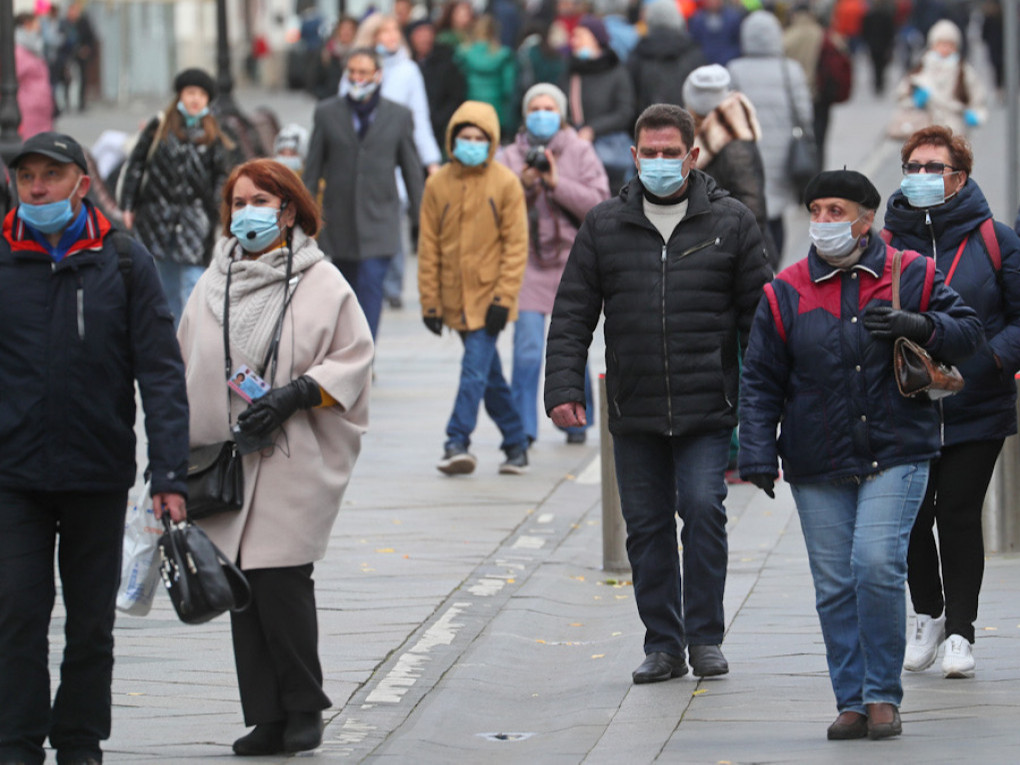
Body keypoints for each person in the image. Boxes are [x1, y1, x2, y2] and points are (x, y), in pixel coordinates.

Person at [739, 169, 982, 740]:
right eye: (816, 209)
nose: (824, 221)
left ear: (867, 218)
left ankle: (881, 697)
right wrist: (755, 449)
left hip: (896, 450)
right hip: (815, 458)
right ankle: (850, 699)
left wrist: (917, 322)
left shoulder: (911, 273)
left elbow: (968, 332)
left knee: (874, 565)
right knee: (834, 584)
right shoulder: (786, 290)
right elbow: (760, 377)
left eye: (836, 210)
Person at [545, 103, 772, 683]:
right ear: (635, 155)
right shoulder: (604, 225)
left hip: (706, 404)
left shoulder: (732, 222)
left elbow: (762, 322)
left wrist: (765, 401)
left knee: (702, 511)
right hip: (634, 404)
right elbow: (573, 313)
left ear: (693, 156)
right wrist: (564, 386)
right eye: (652, 153)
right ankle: (663, 644)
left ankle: (705, 637)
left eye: (673, 153)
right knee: (644, 527)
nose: (662, 162)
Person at [0, 131, 189, 765]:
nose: (37, 188)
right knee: (16, 617)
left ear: (82, 182)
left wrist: (169, 474)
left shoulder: (125, 261)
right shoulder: (2, 256)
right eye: (26, 177)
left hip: (97, 474)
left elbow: (161, 373)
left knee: (90, 626)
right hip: (13, 475)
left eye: (50, 176)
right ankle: (16, 740)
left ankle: (80, 741)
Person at [177, 158, 374, 756]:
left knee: (283, 579)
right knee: (241, 588)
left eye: (260, 200)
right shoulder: (212, 284)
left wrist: (293, 394)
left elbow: (353, 357)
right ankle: (265, 716)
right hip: (227, 457)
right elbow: (181, 363)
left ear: (288, 210)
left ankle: (304, 707)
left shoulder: (323, 282)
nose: (247, 213)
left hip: (293, 452)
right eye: (238, 202)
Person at [881, 126, 1020, 679]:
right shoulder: (887, 241)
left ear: (959, 176)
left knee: (958, 514)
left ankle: (961, 631)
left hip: (976, 403)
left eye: (933, 167)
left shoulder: (997, 240)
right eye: (912, 166)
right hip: (907, 404)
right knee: (911, 517)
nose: (921, 177)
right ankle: (929, 615)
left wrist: (982, 365)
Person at [418, 101, 530, 476]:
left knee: (473, 371)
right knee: (488, 375)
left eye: (479, 138)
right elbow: (428, 247)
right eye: (464, 137)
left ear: (492, 141)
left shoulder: (506, 183)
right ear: (452, 139)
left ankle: (456, 440)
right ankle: (516, 441)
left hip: (489, 297)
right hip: (454, 295)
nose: (471, 143)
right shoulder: (437, 183)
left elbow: (516, 246)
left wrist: (503, 298)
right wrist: (430, 303)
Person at [497, 83, 609, 446]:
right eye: (535, 108)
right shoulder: (510, 155)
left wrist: (557, 182)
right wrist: (524, 184)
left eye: (549, 108)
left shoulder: (580, 150)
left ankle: (575, 420)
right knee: (527, 348)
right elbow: (495, 206)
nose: (541, 115)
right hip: (526, 261)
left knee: (572, 343)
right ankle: (523, 429)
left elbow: (600, 204)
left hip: (571, 260)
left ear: (560, 115)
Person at [303, 48, 424, 341]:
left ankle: (364, 356)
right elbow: (313, 169)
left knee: (371, 288)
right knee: (345, 293)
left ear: (378, 76)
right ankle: (348, 351)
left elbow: (411, 170)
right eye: (352, 72)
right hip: (340, 220)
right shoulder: (327, 113)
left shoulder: (398, 116)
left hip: (380, 219)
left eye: (364, 73)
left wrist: (420, 217)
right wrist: (304, 216)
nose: (357, 79)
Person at [118, 68, 232, 325]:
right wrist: (128, 204)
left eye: (201, 94)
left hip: (194, 224)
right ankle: (168, 341)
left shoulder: (213, 136)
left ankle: (192, 341)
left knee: (193, 284)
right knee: (162, 285)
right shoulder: (159, 127)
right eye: (191, 92)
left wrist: (219, 214)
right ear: (180, 94)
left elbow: (221, 178)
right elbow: (137, 164)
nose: (195, 99)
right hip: (156, 220)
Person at [351, 13, 442, 310]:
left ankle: (391, 283)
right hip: (362, 160)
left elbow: (420, 117)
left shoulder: (407, 70)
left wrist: (431, 161)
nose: (390, 37)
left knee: (393, 220)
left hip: (395, 157)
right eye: (383, 31)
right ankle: (369, 278)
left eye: (393, 31)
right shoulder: (355, 68)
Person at [728, 9, 813, 264]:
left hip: (747, 152)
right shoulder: (791, 70)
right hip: (784, 152)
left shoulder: (734, 70)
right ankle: (776, 266)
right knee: (776, 213)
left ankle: (756, 264)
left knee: (752, 207)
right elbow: (805, 114)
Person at [682, 64, 773, 263]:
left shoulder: (733, 146)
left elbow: (752, 205)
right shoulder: (703, 134)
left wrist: (748, 255)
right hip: (714, 244)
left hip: (732, 250)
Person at [566, 14, 636, 193]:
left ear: (596, 39)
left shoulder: (617, 71)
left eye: (580, 36)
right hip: (577, 152)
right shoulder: (572, 71)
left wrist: (593, 129)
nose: (574, 41)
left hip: (609, 155)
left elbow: (625, 112)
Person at [894, 19, 987, 135]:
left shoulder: (964, 71)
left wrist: (975, 115)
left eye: (950, 44)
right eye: (941, 44)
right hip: (925, 127)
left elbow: (977, 97)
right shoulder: (921, 69)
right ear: (932, 45)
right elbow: (901, 95)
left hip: (955, 128)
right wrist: (914, 101)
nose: (945, 48)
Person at [627, 0, 705, 116]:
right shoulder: (692, 52)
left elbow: (630, 99)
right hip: (687, 124)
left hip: (648, 125)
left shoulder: (638, 54)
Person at [406, 17, 467, 158]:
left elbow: (456, 96)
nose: (424, 39)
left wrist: (439, 119)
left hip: (438, 128)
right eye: (419, 34)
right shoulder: (407, 63)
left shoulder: (446, 62)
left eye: (428, 34)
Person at [454, 14, 519, 139]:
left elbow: (456, 84)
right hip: (496, 111)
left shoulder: (463, 54)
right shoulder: (503, 55)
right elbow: (508, 88)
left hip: (469, 107)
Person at [14, 12, 55, 138]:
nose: (39, 27)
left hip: (42, 112)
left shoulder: (35, 49)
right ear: (27, 25)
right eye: (36, 23)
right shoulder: (17, 51)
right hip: (27, 111)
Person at [687, 0, 745, 67]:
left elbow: (738, 43)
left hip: (729, 63)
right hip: (704, 64)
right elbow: (693, 43)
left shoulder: (734, 18)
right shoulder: (697, 20)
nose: (713, 2)